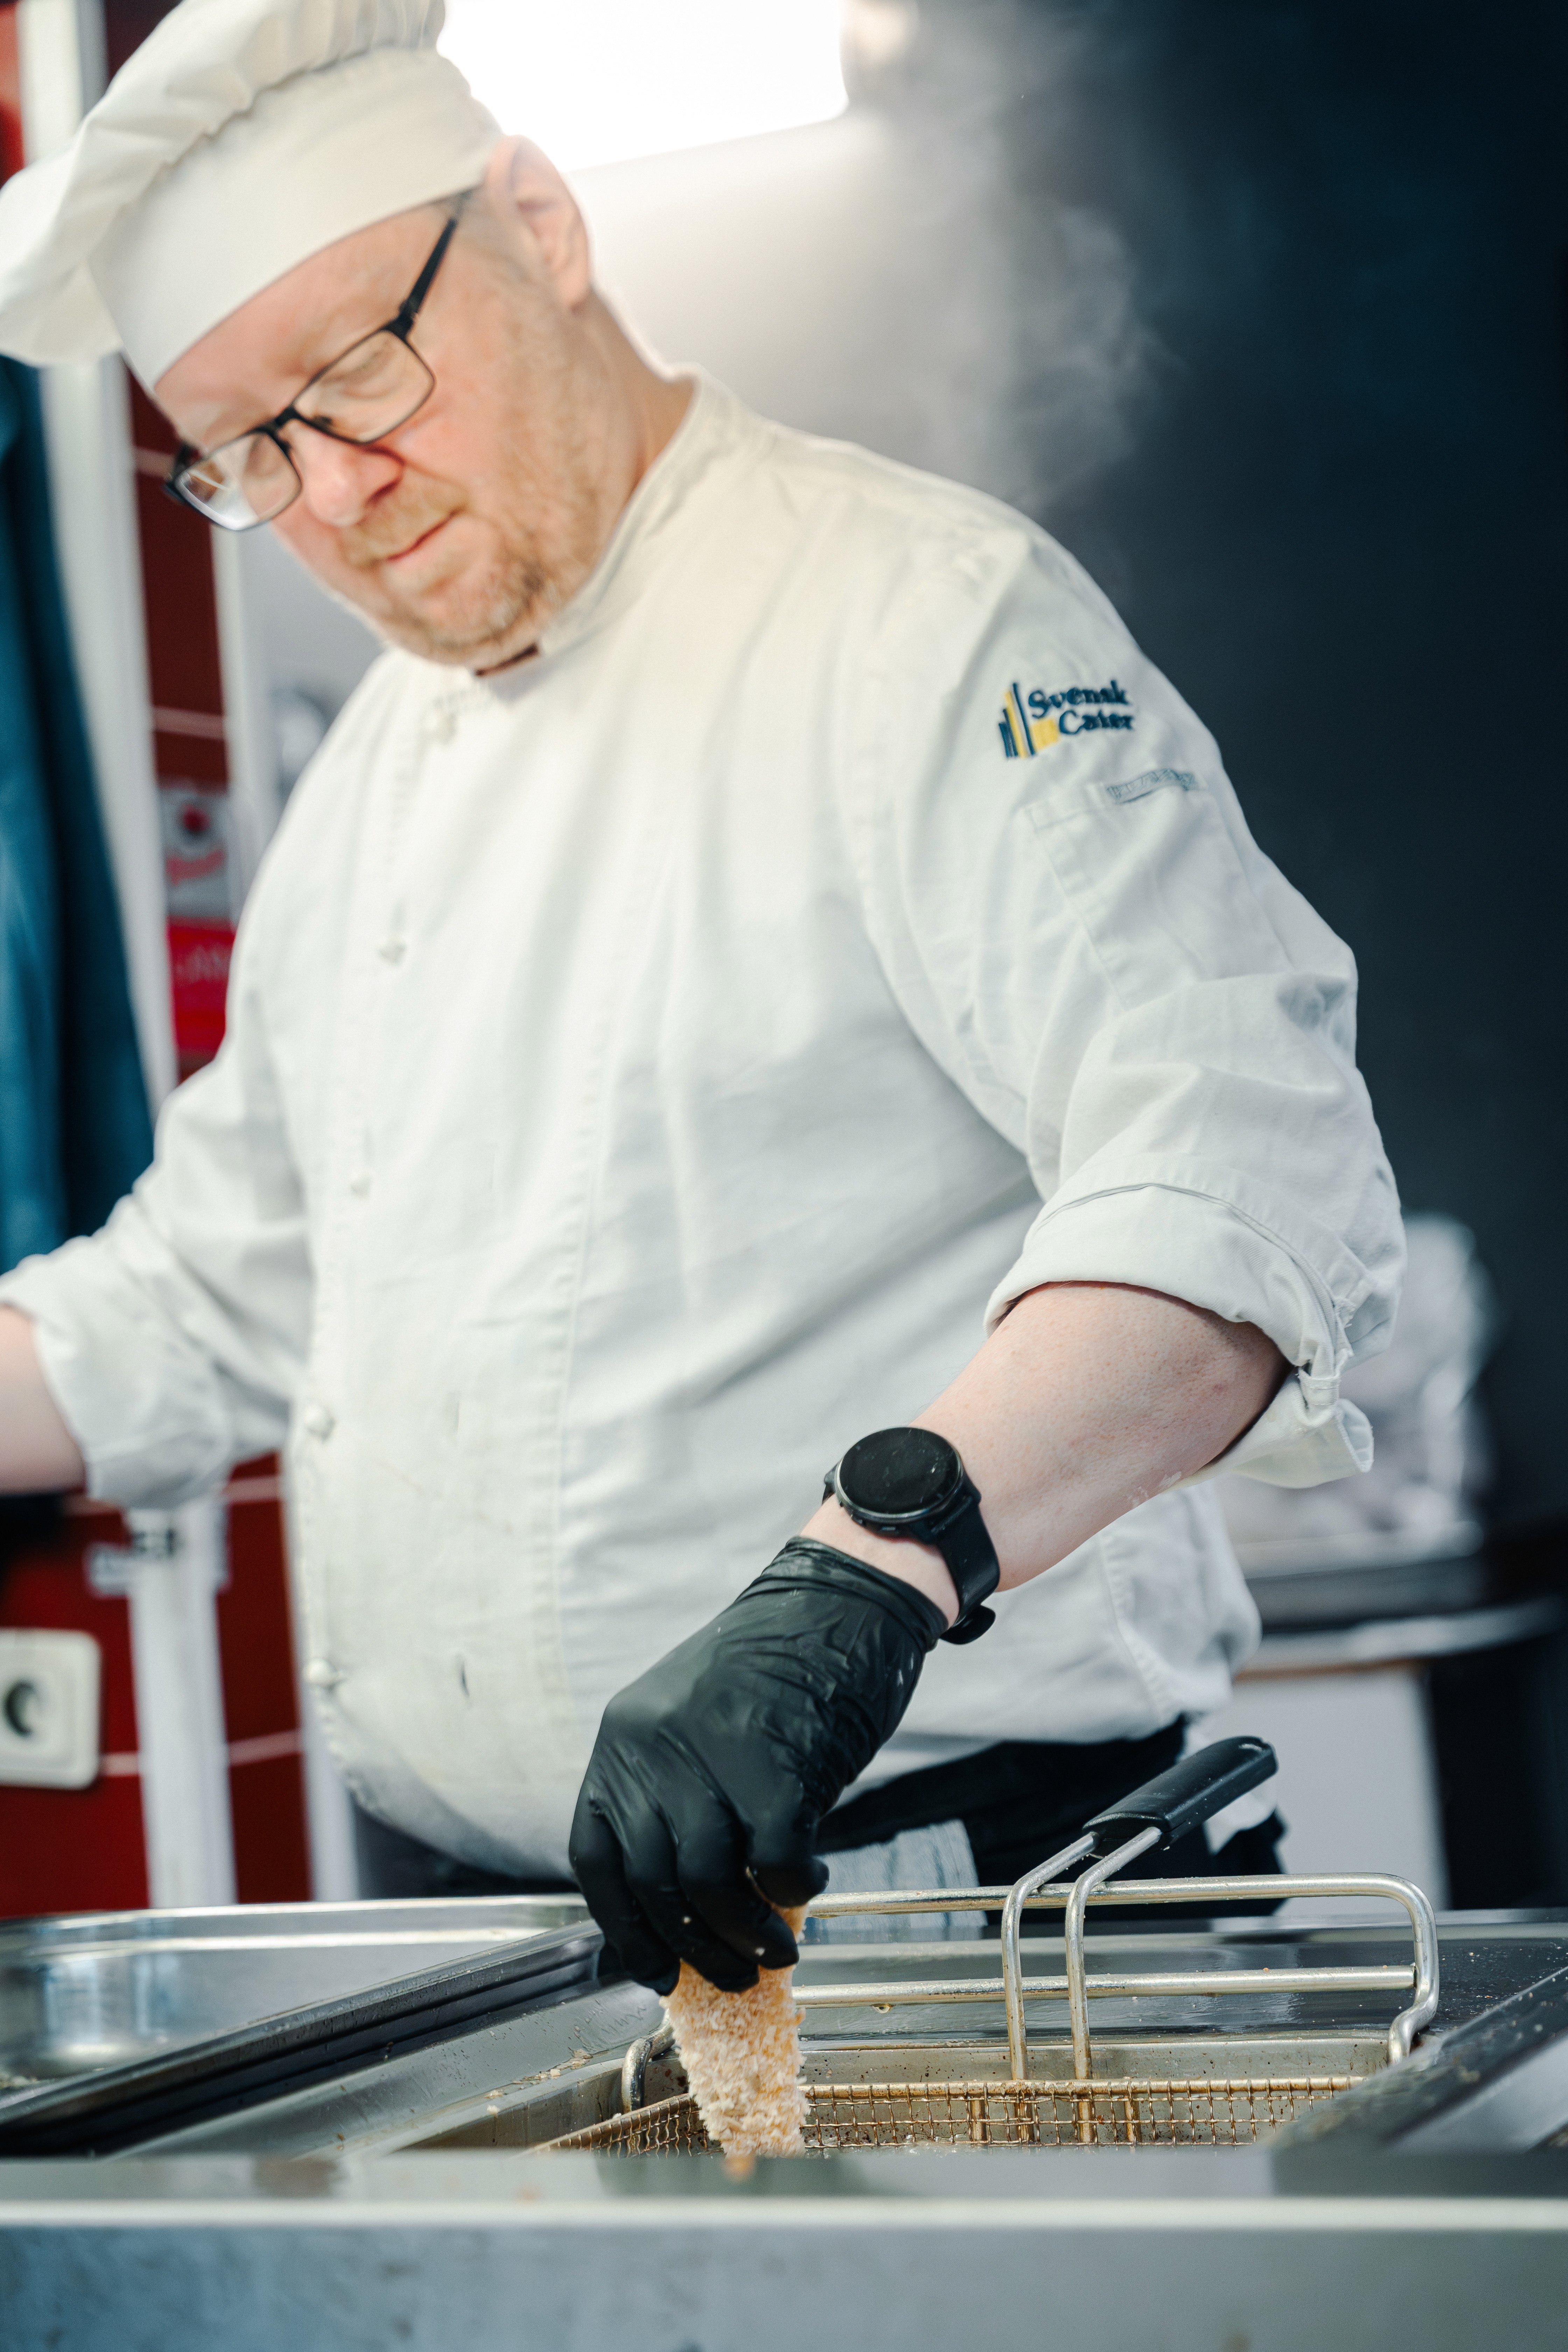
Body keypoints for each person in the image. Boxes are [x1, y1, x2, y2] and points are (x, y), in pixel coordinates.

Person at [0, 1, 1401, 1989]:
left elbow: (1241, 1161)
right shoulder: (379, 780)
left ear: (543, 224)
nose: (338, 491)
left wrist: (871, 1569)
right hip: (514, 1961)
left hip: (960, 1930)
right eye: (247, 453)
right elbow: (207, 1292)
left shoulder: (912, 621)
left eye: (357, 374)